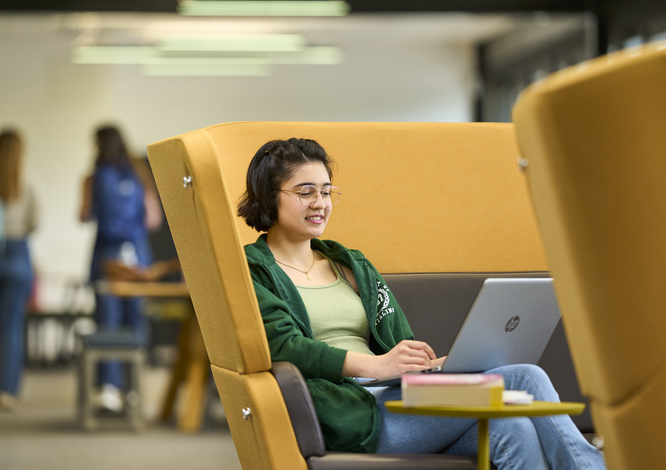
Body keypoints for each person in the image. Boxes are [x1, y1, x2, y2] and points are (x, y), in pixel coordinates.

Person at [238, 138, 606, 469]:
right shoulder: (253, 271)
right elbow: (284, 347)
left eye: (327, 191)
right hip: (352, 412)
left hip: (402, 395)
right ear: (271, 196)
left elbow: (400, 343)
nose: (320, 203)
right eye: (305, 192)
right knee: (526, 377)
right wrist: (377, 365)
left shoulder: (350, 264)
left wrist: (433, 366)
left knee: (512, 427)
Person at [79, 125, 156, 411]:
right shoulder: (139, 176)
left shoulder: (93, 177)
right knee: (134, 322)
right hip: (137, 256)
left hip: (107, 256)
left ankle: (109, 390)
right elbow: (153, 220)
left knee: (106, 322)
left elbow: (83, 214)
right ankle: (133, 391)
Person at [0, 128, 39, 411]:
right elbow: (35, 224)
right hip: (17, 253)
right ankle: (7, 390)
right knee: (10, 325)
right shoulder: (29, 184)